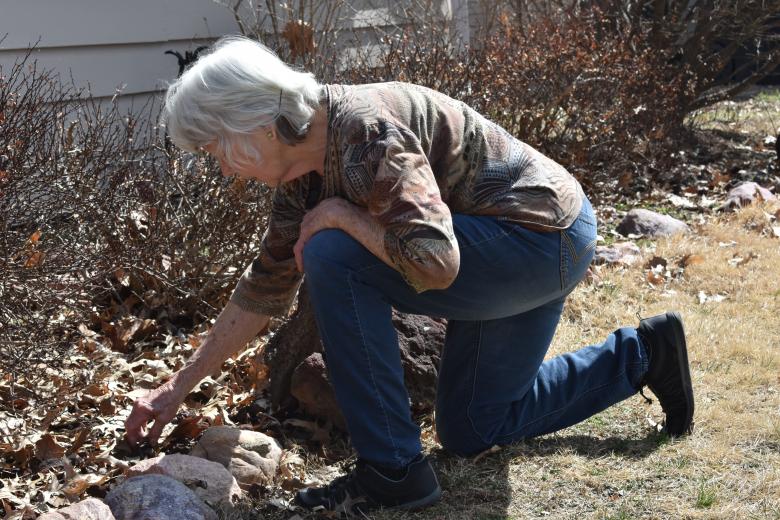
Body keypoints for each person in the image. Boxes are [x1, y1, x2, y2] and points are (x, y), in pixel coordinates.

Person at [124, 36, 694, 516]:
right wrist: (177, 388)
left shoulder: (368, 133)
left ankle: (392, 469)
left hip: (541, 241)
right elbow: (264, 287)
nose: (222, 167)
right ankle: (646, 353)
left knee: (330, 251)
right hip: (511, 244)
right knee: (472, 425)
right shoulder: (301, 171)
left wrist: (344, 217)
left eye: (217, 147)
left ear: (255, 123)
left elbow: (437, 263)